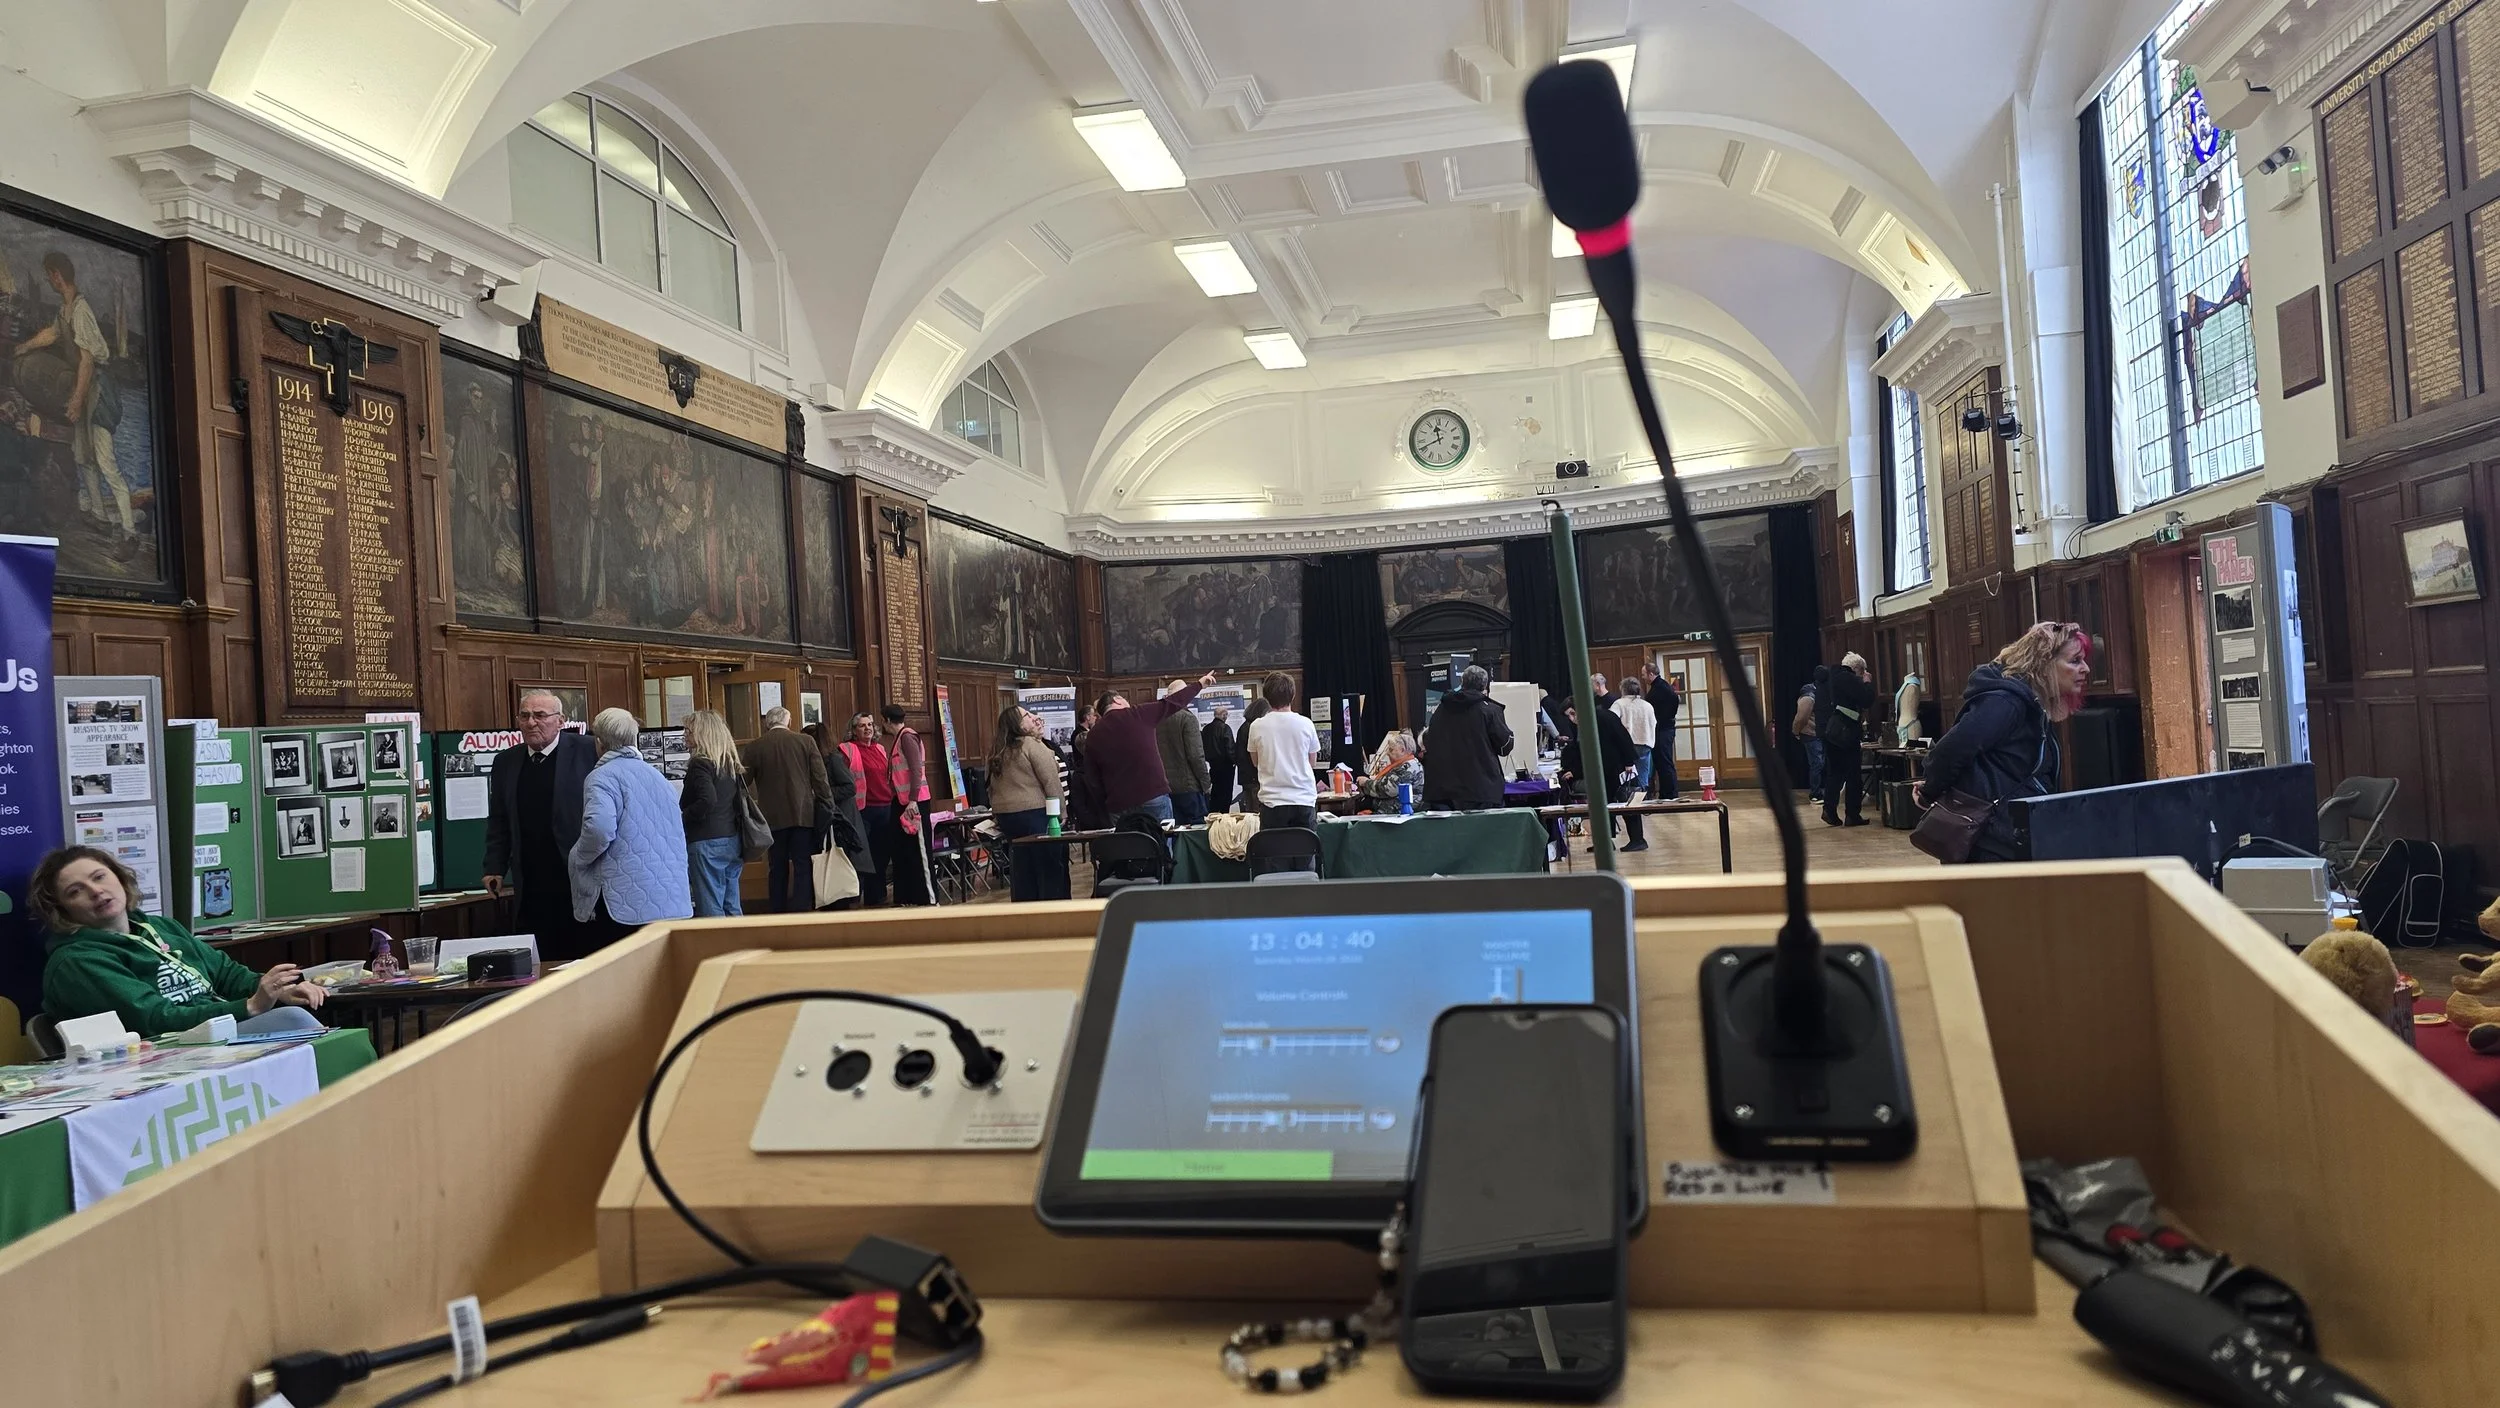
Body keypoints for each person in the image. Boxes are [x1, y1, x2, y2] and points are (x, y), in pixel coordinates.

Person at [34, 846, 326, 1039]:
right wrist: (249, 1007)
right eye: (76, 891)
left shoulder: (160, 927)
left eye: (100, 877)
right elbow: (154, 1020)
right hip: (166, 1050)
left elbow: (226, 974)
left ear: (120, 878)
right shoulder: (76, 961)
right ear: (62, 911)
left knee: (304, 1020)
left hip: (216, 1031)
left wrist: (279, 991)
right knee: (295, 1023)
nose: (96, 891)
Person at [1917, 622, 2091, 864]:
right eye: (2075, 661)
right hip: (1991, 845)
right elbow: (1951, 751)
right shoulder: (2006, 702)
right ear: (2044, 663)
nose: (2086, 668)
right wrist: (1929, 792)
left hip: (2011, 838)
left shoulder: (2031, 704)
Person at [483, 689, 598, 959]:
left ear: (560, 720)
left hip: (576, 874)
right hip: (531, 878)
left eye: (540, 715)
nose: (531, 722)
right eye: (524, 716)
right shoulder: (506, 762)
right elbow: (499, 819)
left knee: (582, 953)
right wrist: (494, 867)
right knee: (541, 956)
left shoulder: (587, 751)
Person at [569, 709, 694, 951]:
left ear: (599, 742)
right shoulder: (657, 776)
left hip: (625, 899)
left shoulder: (601, 777)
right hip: (670, 895)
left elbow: (599, 829)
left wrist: (578, 856)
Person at [1082, 672, 1217, 825]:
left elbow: (1093, 779)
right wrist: (1199, 684)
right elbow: (1172, 703)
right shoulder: (1138, 714)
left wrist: (1107, 803)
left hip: (1118, 803)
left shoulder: (1093, 735)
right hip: (1152, 794)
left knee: (1126, 840)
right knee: (1161, 838)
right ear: (1117, 700)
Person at [746, 705, 834, 912]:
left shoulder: (755, 747)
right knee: (803, 865)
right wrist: (828, 805)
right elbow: (820, 779)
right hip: (803, 815)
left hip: (771, 817)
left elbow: (744, 781)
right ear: (789, 722)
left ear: (767, 724)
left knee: (777, 866)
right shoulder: (806, 741)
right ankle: (802, 909)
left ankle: (777, 909)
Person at [989, 703, 1070, 902]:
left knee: (1022, 870)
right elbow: (1050, 780)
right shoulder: (1031, 745)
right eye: (1026, 715)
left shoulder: (997, 749)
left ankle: (1024, 911)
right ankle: (1054, 909)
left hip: (1007, 817)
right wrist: (1061, 812)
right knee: (1048, 866)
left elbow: (989, 786)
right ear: (1018, 724)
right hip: (1035, 813)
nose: (1032, 717)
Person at [1245, 672, 1321, 865]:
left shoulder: (1257, 726)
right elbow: (1312, 762)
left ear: (1266, 697)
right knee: (1305, 860)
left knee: (1275, 862)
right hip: (1303, 799)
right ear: (1292, 695)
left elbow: (1255, 761)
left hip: (1273, 802)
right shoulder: (1306, 724)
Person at [678, 710, 746, 918]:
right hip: (731, 839)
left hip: (706, 841)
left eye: (688, 731)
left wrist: (683, 817)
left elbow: (707, 799)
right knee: (731, 904)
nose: (684, 735)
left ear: (702, 733)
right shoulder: (728, 762)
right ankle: (740, 938)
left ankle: (716, 940)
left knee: (710, 906)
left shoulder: (700, 764)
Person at [1420, 665, 1513, 811]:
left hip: (1442, 789)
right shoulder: (1489, 710)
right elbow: (1504, 747)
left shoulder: (1440, 709)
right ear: (1484, 685)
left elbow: (1428, 741)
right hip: (1481, 788)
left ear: (1462, 682)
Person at [1559, 700, 1644, 852]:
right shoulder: (1583, 724)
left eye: (1572, 713)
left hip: (1617, 767)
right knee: (1603, 806)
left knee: (1625, 802)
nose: (1572, 719)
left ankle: (1637, 839)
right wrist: (1577, 771)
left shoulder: (1605, 717)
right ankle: (1605, 842)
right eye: (1568, 716)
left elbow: (1623, 738)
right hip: (1602, 770)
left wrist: (1629, 762)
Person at [810, 721, 872, 904]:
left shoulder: (834, 759)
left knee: (844, 861)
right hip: (831, 818)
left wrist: (822, 793)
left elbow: (849, 787)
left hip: (842, 818)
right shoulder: (820, 760)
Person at [879, 705, 935, 906]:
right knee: (903, 851)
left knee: (919, 852)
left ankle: (928, 899)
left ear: (886, 720)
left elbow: (916, 769)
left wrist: (913, 799)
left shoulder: (907, 737)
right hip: (901, 802)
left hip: (914, 803)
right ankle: (907, 898)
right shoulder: (898, 738)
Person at [1821, 653, 1878, 828]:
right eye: (1862, 672)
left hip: (1833, 730)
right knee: (1853, 774)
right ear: (1857, 669)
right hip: (1847, 732)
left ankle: (1829, 810)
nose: (1862, 676)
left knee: (1835, 773)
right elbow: (1866, 699)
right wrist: (1867, 682)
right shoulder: (1848, 678)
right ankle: (1852, 814)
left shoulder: (1834, 677)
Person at [846, 713, 897, 906]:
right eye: (862, 725)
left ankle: (878, 896)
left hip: (885, 806)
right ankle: (859, 896)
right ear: (854, 730)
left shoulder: (880, 748)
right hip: (863, 809)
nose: (867, 728)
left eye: (870, 724)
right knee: (863, 856)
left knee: (882, 854)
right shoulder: (848, 749)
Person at [1159, 698, 1211, 824]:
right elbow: (1195, 756)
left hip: (1164, 787)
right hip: (1188, 786)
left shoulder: (1157, 719)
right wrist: (1206, 783)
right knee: (1195, 830)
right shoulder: (1187, 718)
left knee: (1171, 828)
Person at [1611, 677, 1658, 804]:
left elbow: (1612, 721)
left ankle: (1625, 800)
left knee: (1625, 776)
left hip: (1626, 744)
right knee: (1643, 775)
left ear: (1623, 689)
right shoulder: (1647, 705)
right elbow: (1653, 723)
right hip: (1645, 743)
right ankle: (1641, 801)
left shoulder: (1619, 704)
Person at [1358, 730, 1424, 812]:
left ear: (1402, 750)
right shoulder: (1408, 763)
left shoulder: (1407, 768)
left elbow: (1387, 789)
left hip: (1397, 811)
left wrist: (1365, 783)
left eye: (1391, 750)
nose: (1388, 753)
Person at [1643, 662, 1682, 799]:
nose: (1643, 677)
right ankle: (1666, 793)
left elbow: (1674, 700)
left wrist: (1664, 718)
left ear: (1651, 674)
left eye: (1644, 674)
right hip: (1663, 729)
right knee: (1661, 762)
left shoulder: (1661, 687)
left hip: (1663, 730)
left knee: (1665, 762)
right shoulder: (1660, 686)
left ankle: (1670, 793)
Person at [1795, 668, 1826, 803]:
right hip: (1811, 733)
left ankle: (1818, 792)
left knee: (1819, 763)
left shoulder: (1820, 692)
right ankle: (1815, 794)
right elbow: (1801, 717)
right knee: (1816, 763)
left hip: (1819, 733)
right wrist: (1796, 731)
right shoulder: (1809, 695)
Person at [1234, 698, 1270, 811]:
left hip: (1246, 776)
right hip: (1253, 776)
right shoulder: (1252, 728)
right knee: (1256, 808)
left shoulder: (1244, 727)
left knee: (1250, 807)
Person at [1204, 705, 1237, 814]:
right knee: (1226, 794)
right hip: (1226, 766)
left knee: (1215, 793)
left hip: (1213, 766)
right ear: (1223, 715)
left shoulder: (1206, 729)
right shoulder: (1225, 728)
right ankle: (1224, 817)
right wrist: (1234, 761)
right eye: (1226, 714)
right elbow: (1230, 747)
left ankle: (1213, 817)